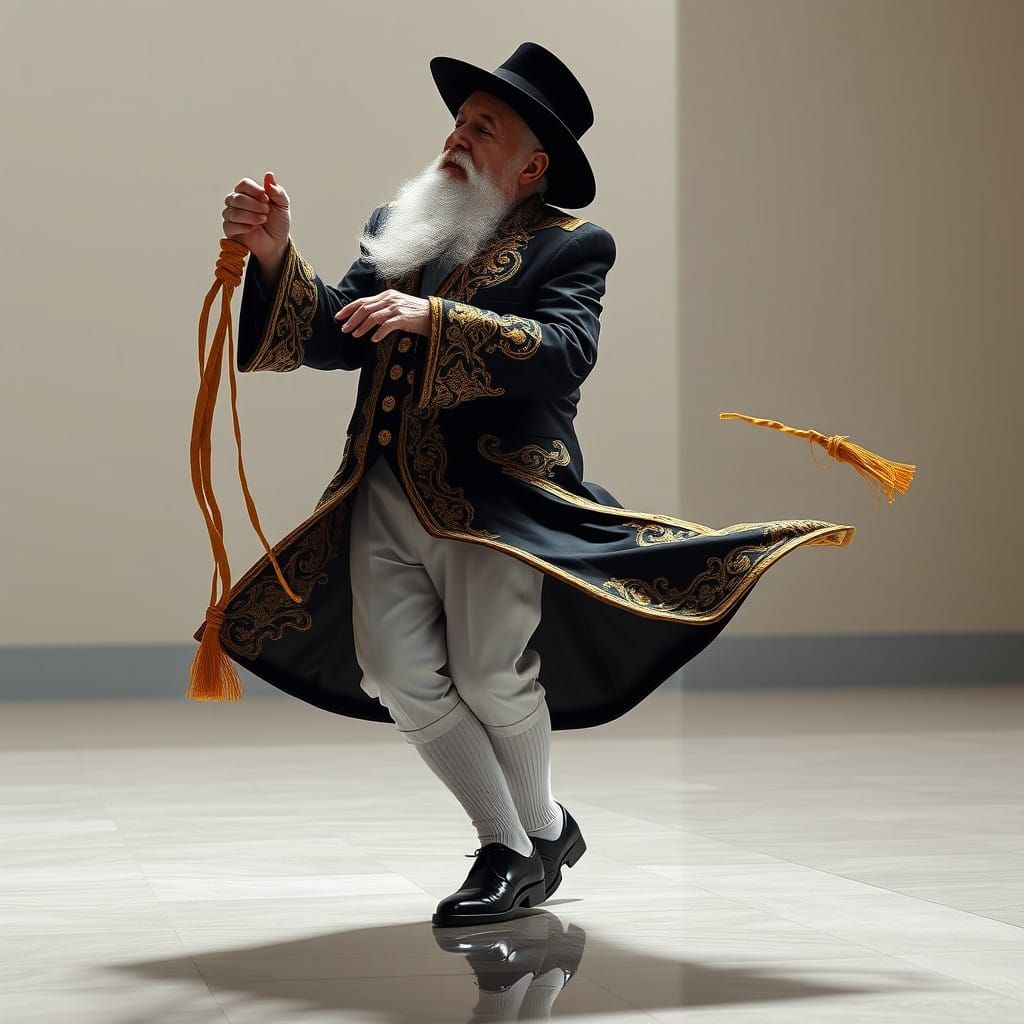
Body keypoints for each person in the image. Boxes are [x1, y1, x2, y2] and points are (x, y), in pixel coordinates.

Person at [202, 41, 854, 929]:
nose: (458, 137)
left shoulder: (573, 246)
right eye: (460, 120)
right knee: (393, 670)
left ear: (531, 163)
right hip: (379, 486)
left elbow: (564, 353)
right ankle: (527, 838)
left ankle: (517, 846)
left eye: (484, 126)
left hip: (496, 503)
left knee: (491, 674)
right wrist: (278, 254)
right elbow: (332, 333)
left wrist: (433, 317)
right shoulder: (406, 224)